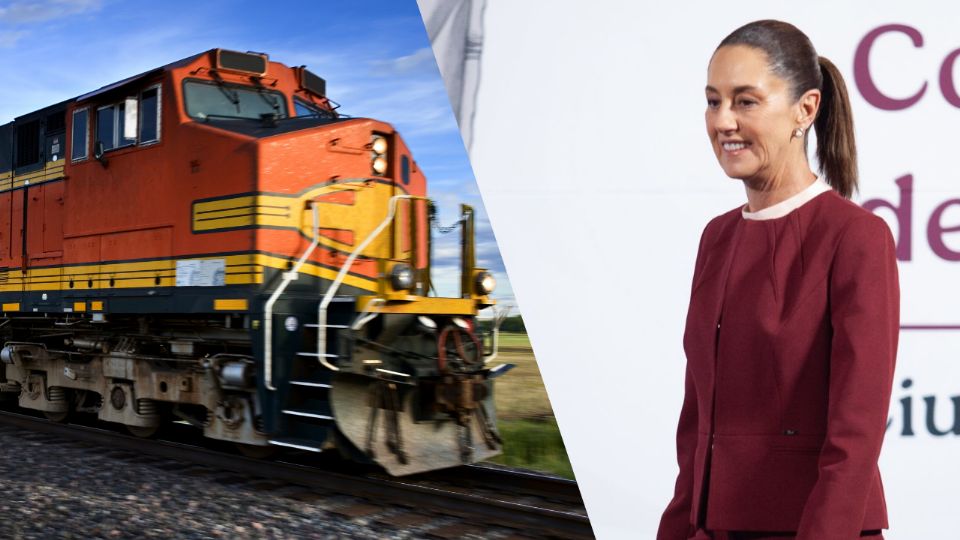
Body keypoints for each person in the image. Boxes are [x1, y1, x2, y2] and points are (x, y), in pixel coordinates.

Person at [656, 20, 899, 540]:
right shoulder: (715, 238)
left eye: (745, 102)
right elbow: (696, 422)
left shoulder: (856, 237)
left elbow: (855, 438)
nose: (723, 121)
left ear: (805, 110)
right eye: (713, 101)